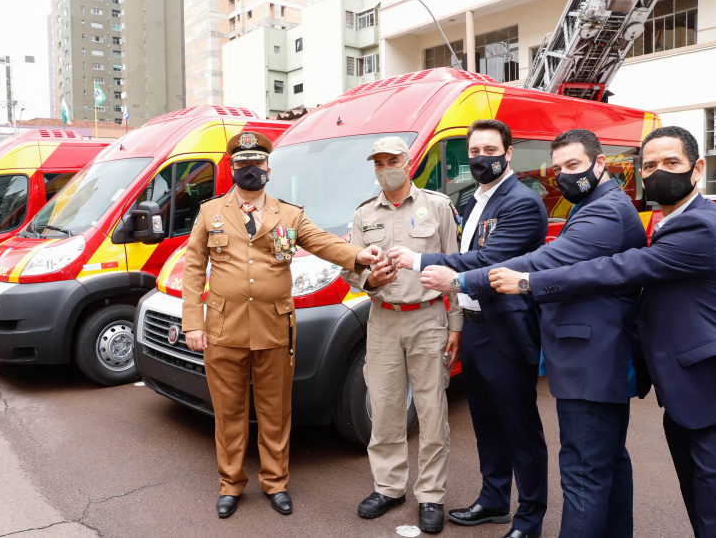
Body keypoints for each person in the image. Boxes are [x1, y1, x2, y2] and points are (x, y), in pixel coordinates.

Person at [489, 126, 716, 538]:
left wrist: (530, 282)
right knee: (706, 520)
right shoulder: (670, 221)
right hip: (691, 401)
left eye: (671, 163)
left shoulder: (699, 226)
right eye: (650, 165)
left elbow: (620, 269)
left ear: (698, 169)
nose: (659, 172)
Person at [426, 129, 649, 538]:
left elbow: (544, 260)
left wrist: (459, 281)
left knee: (582, 472)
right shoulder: (590, 203)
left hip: (591, 357)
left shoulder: (602, 211)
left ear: (600, 163)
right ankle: (495, 501)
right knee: (606, 464)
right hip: (584, 351)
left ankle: (529, 518)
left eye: (574, 166)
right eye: (559, 168)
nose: (564, 176)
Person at [181, 131, 382, 519]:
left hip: (274, 328)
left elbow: (324, 242)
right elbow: (193, 270)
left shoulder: (288, 214)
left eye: (257, 164)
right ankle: (230, 484)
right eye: (242, 164)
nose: (250, 170)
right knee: (229, 412)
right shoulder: (211, 213)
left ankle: (275, 482)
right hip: (223, 329)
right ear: (232, 169)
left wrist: (360, 255)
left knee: (275, 410)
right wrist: (194, 322)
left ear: (268, 168)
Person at [388, 119, 549, 538]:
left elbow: (489, 261)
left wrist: (419, 260)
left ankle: (529, 518)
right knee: (486, 422)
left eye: (490, 151)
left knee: (519, 425)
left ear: (508, 152)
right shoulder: (473, 199)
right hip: (476, 328)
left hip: (508, 330)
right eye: (474, 153)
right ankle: (494, 500)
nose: (482, 159)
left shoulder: (522, 202)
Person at [340, 136, 463, 534]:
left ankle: (431, 495)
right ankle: (389, 488)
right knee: (386, 407)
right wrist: (369, 279)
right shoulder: (363, 215)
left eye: (392, 160)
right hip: (383, 319)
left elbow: (454, 271)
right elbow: (349, 269)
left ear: (408, 162)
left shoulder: (438, 206)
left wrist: (456, 325)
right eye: (378, 163)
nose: (385, 168)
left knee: (431, 412)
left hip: (428, 318)